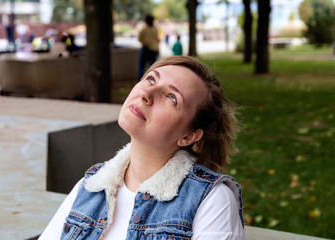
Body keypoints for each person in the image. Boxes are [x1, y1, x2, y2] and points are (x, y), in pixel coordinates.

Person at [40, 56, 244, 240]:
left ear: (188, 136)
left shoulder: (212, 201)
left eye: (172, 97)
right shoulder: (91, 186)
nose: (147, 92)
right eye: (151, 79)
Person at [137, 15, 160, 81]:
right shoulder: (155, 29)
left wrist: (146, 43)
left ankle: (140, 81)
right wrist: (158, 50)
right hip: (154, 50)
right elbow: (157, 41)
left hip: (146, 49)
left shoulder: (144, 29)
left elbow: (140, 39)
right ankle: (152, 80)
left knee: (142, 66)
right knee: (152, 67)